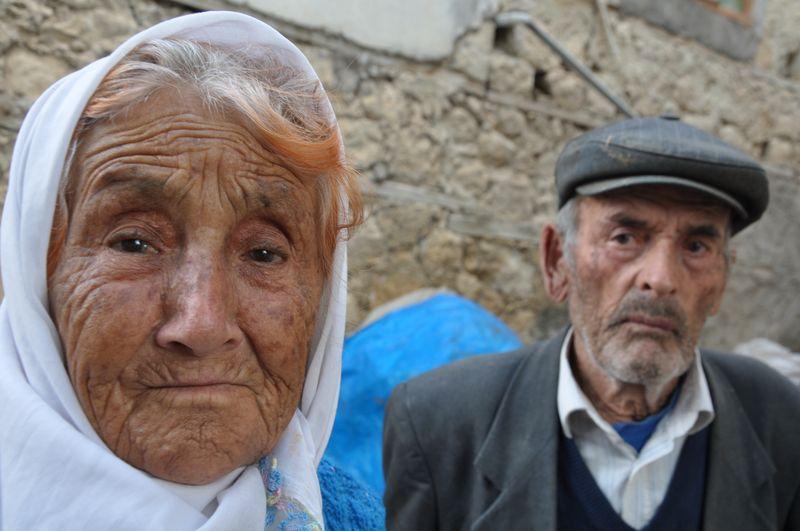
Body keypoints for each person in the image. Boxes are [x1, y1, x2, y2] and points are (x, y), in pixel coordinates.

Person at [0, 11, 384, 530]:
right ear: (36, 278)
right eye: (135, 243)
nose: (201, 325)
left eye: (264, 254)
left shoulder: (356, 518)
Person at [383, 116, 800, 530]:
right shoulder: (438, 424)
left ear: (722, 281)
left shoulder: (781, 421)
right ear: (556, 261)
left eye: (696, 246)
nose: (660, 279)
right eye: (624, 238)